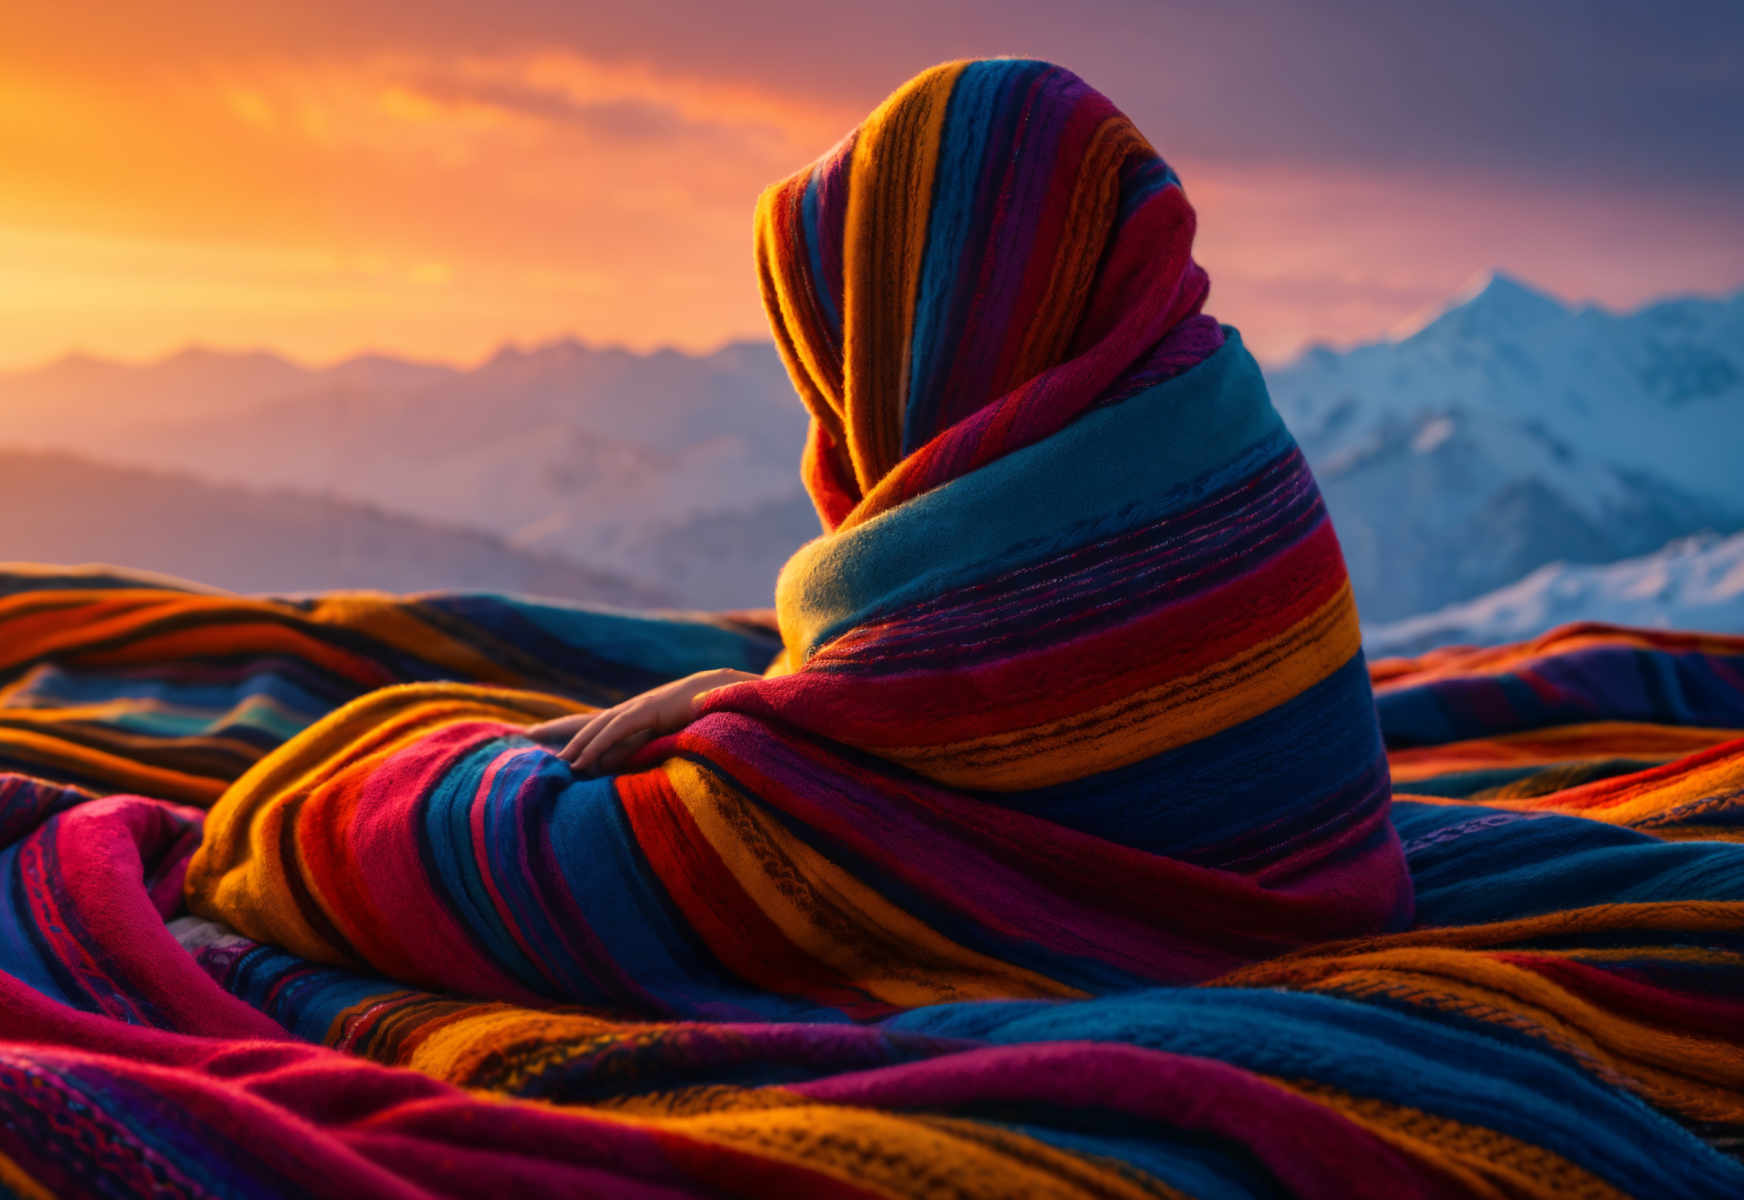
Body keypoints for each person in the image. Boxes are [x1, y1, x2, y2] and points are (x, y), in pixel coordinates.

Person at [185, 57, 1415, 1018]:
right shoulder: (1207, 452)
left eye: (842, 330)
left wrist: (562, 750)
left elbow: (404, 860)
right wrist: (756, 718)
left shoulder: (997, 615)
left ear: (927, 323)